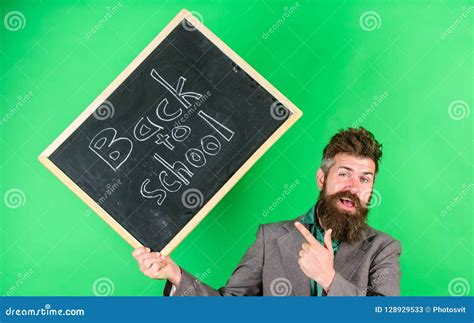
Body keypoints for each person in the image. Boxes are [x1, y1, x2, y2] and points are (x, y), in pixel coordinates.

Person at [132, 127, 401, 296]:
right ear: (322, 179)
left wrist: (329, 278)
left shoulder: (383, 248)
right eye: (344, 174)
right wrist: (175, 275)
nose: (354, 187)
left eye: (365, 179)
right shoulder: (270, 238)